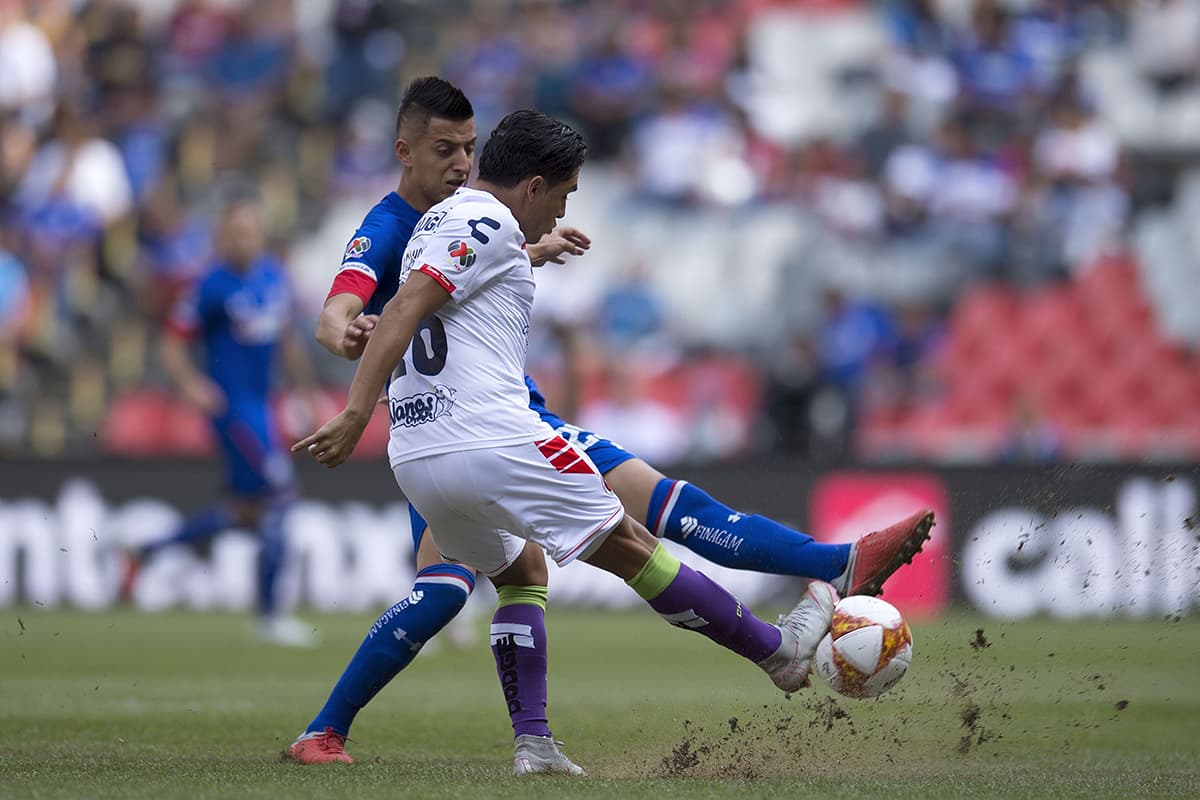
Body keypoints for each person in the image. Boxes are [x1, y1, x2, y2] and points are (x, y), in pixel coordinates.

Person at [285, 78, 934, 770]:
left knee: (522, 569)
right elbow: (403, 302)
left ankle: (524, 742)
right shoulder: (456, 222)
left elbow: (443, 281)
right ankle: (782, 650)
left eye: (468, 149)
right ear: (532, 186)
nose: (460, 162)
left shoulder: (447, 225)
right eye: (560, 196)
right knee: (635, 540)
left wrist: (527, 250)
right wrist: (354, 407)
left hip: (420, 449)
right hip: (494, 433)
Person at [122, 194, 319, 648]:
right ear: (222, 236)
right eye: (235, 233)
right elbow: (171, 344)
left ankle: (146, 552)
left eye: (250, 231)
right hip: (233, 412)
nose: (244, 240)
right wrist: (192, 385)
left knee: (245, 514)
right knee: (282, 497)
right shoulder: (210, 285)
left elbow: (288, 339)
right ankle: (269, 616)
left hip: (264, 406)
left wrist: (305, 393)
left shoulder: (274, 275)